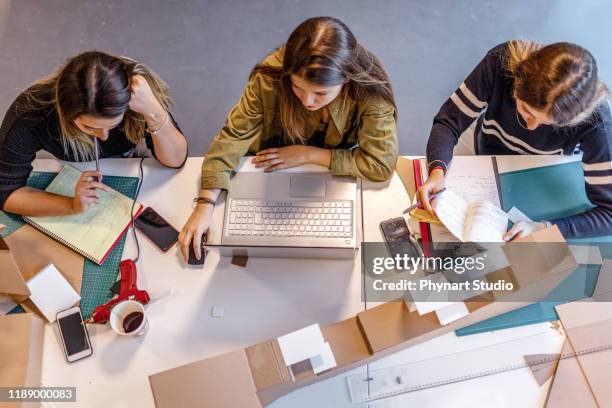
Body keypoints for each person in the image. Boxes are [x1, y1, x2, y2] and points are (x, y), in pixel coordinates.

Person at [179, 16, 399, 262]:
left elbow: (380, 165)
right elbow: (232, 137)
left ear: (346, 78)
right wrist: (205, 204)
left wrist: (309, 154)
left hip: (326, 168)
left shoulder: (369, 92)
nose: (307, 101)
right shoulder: (269, 76)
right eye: (297, 87)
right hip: (271, 165)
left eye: (321, 93)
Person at [419, 40, 611, 240]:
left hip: (543, 170)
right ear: (517, 80)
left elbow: (609, 213)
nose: (530, 127)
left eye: (548, 123)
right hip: (489, 149)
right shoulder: (500, 63)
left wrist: (545, 227)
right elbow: (448, 122)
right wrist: (437, 171)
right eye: (526, 110)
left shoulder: (598, 122)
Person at [0, 51, 188, 216]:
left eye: (113, 124)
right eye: (90, 127)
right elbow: (6, 193)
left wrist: (153, 111)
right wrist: (71, 205)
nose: (104, 136)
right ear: (64, 113)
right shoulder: (31, 113)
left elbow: (175, 160)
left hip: (130, 167)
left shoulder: (136, 97)